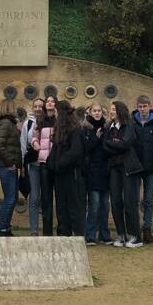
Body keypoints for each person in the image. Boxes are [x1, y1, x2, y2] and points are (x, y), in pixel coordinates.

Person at [103, 101, 143, 248]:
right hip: (114, 168)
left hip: (128, 167)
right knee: (115, 202)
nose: (110, 111)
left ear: (120, 111)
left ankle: (135, 236)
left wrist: (111, 143)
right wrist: (114, 143)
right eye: (110, 109)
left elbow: (125, 144)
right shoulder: (109, 128)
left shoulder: (129, 126)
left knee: (130, 202)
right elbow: (105, 147)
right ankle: (121, 234)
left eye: (113, 109)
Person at [48, 100, 85, 237]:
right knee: (61, 205)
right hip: (60, 174)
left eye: (57, 112)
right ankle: (64, 233)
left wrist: (60, 164)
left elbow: (75, 152)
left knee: (73, 205)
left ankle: (78, 234)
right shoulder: (59, 130)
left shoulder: (75, 130)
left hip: (71, 173)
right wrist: (51, 164)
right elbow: (55, 150)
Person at [131, 94, 153, 243]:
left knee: (148, 200)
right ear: (137, 107)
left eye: (145, 106)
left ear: (150, 106)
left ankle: (147, 229)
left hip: (150, 168)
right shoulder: (133, 122)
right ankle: (136, 229)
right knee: (135, 199)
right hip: (136, 167)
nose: (142, 109)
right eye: (140, 106)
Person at [83, 102, 112, 245]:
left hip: (105, 170)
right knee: (93, 205)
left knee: (105, 205)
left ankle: (104, 234)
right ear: (90, 112)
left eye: (99, 110)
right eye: (94, 111)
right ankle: (90, 235)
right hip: (92, 171)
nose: (97, 113)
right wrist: (96, 137)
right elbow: (86, 148)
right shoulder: (85, 128)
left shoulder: (107, 127)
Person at [0, 99, 22, 236]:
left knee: (12, 197)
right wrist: (10, 162)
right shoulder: (5, 123)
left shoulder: (11, 123)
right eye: (14, 107)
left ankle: (5, 227)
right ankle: (2, 228)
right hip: (6, 166)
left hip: (9, 165)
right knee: (10, 198)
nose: (15, 109)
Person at [30, 95, 57, 236]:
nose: (50, 103)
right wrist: (35, 144)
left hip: (58, 162)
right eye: (48, 101)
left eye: (52, 101)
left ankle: (62, 229)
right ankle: (47, 232)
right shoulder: (40, 120)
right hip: (44, 162)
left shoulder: (59, 121)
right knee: (46, 198)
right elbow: (34, 136)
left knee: (59, 197)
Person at [19, 97, 44, 235]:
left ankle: (47, 229)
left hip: (47, 165)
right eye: (36, 106)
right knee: (34, 197)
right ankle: (33, 230)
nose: (38, 108)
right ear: (32, 107)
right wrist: (22, 165)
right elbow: (23, 145)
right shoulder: (27, 124)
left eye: (41, 106)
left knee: (46, 197)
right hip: (33, 164)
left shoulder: (49, 121)